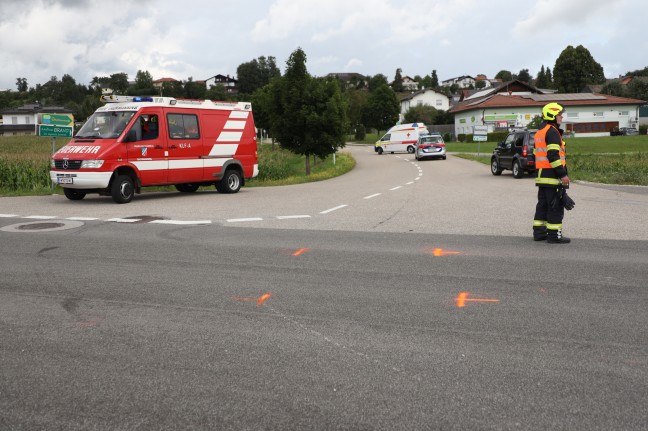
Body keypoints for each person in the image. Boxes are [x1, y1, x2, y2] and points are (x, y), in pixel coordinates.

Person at [532, 102, 571, 244]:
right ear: (552, 115)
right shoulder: (552, 132)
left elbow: (534, 155)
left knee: (542, 205)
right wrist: (563, 174)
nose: (561, 116)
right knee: (555, 206)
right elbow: (553, 156)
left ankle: (539, 233)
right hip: (552, 177)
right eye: (559, 114)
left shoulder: (540, 132)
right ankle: (554, 236)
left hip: (542, 176)